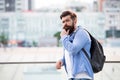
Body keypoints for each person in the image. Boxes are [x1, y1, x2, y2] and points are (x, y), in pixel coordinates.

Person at [55, 10, 94, 80]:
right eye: (63, 22)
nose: (65, 24)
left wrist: (63, 37)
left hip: (83, 76)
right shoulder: (68, 37)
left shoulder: (81, 33)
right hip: (72, 76)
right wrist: (62, 61)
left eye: (67, 21)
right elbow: (69, 54)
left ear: (75, 21)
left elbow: (73, 50)